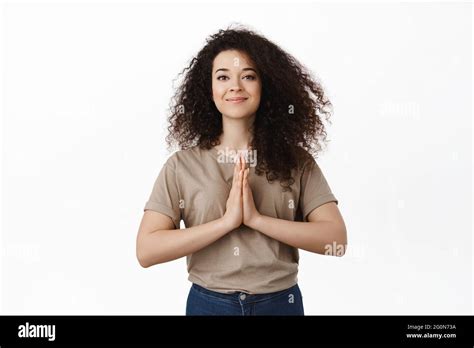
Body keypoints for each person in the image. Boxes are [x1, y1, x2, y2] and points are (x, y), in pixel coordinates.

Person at [136, 25, 347, 316]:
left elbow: (335, 240)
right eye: (223, 77)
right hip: (208, 305)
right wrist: (226, 223)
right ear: (209, 89)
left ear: (266, 85)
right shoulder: (181, 166)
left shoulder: (297, 162)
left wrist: (257, 220)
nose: (235, 86)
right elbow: (146, 251)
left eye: (248, 76)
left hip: (280, 304)